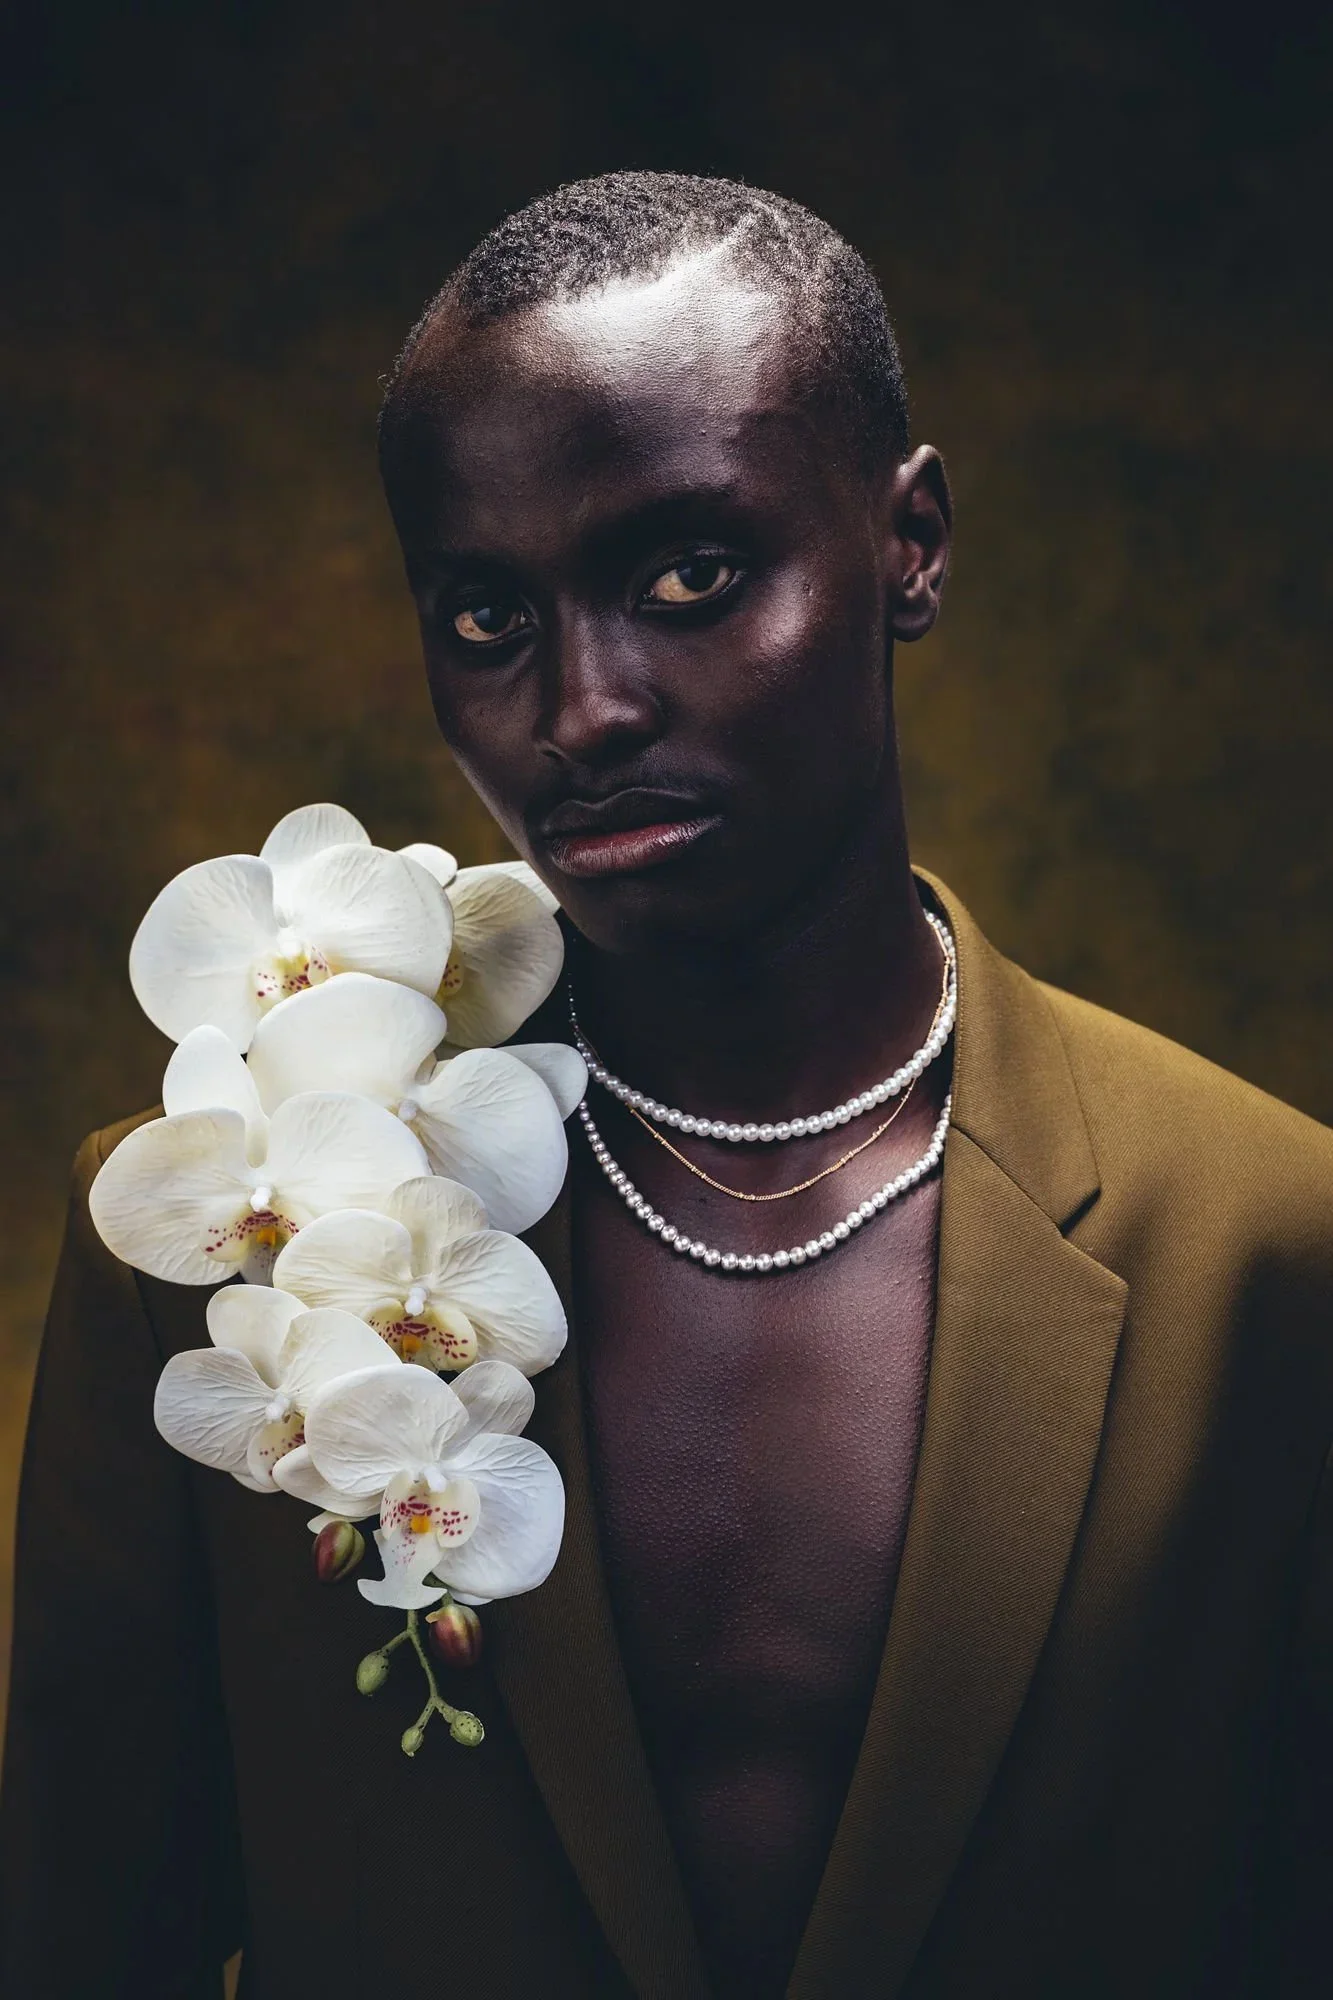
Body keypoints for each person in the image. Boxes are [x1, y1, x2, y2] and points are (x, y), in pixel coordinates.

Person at [2, 171, 1330, 1999]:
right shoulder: (207, 1257)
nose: (582, 709)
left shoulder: (1274, 1254)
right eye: (485, 617)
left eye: (688, 573)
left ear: (913, 544)